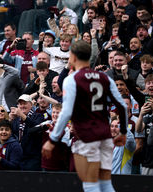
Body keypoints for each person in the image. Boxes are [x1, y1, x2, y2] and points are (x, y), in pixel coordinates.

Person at [42, 40, 128, 192]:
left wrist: (53, 139)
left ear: (73, 57)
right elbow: (121, 105)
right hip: (105, 136)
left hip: (87, 137)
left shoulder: (72, 79)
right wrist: (123, 132)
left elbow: (67, 112)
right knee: (106, 184)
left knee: (90, 185)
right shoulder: (104, 78)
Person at [10, 94, 44, 171]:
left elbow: (36, 127)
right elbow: (11, 135)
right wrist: (10, 120)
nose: (22, 106)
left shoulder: (38, 116)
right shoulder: (16, 119)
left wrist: (22, 116)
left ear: (31, 105)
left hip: (33, 157)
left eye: (24, 103)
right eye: (20, 104)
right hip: (19, 156)